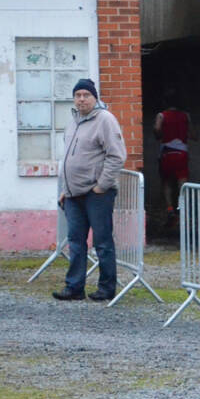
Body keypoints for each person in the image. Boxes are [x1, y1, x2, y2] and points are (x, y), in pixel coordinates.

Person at [52, 79, 127, 302]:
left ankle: (106, 288)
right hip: (74, 194)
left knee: (102, 242)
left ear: (95, 98)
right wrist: (66, 188)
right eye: (78, 95)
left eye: (86, 95)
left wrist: (101, 186)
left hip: (97, 194)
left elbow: (116, 156)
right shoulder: (74, 121)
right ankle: (74, 287)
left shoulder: (105, 120)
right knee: (75, 241)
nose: (82, 99)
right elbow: (69, 158)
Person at [153, 97, 195, 219]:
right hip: (182, 153)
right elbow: (193, 134)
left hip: (167, 153)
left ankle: (170, 208)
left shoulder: (161, 115)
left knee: (166, 182)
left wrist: (160, 134)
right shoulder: (186, 116)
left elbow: (157, 130)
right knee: (182, 182)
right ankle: (183, 208)